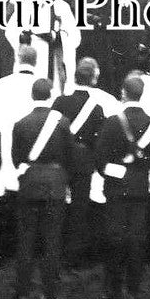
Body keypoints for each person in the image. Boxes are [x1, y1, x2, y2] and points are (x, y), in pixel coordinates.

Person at [96, 75, 150, 299]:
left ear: (123, 93)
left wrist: (115, 172)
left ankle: (112, 290)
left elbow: (100, 158)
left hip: (116, 188)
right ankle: (134, 291)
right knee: (136, 240)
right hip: (140, 186)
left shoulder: (112, 121)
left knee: (114, 239)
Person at [11, 79, 74, 299]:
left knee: (26, 238)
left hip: (29, 182)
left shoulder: (21, 123)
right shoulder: (63, 123)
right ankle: (50, 292)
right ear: (51, 96)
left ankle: (22, 291)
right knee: (52, 239)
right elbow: (70, 157)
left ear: (32, 95)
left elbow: (15, 158)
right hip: (55, 183)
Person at [52, 58, 111, 266]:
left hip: (61, 158)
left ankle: (54, 252)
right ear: (93, 80)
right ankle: (74, 256)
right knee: (79, 209)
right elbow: (98, 141)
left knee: (57, 206)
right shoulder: (96, 109)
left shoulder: (60, 102)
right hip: (84, 161)